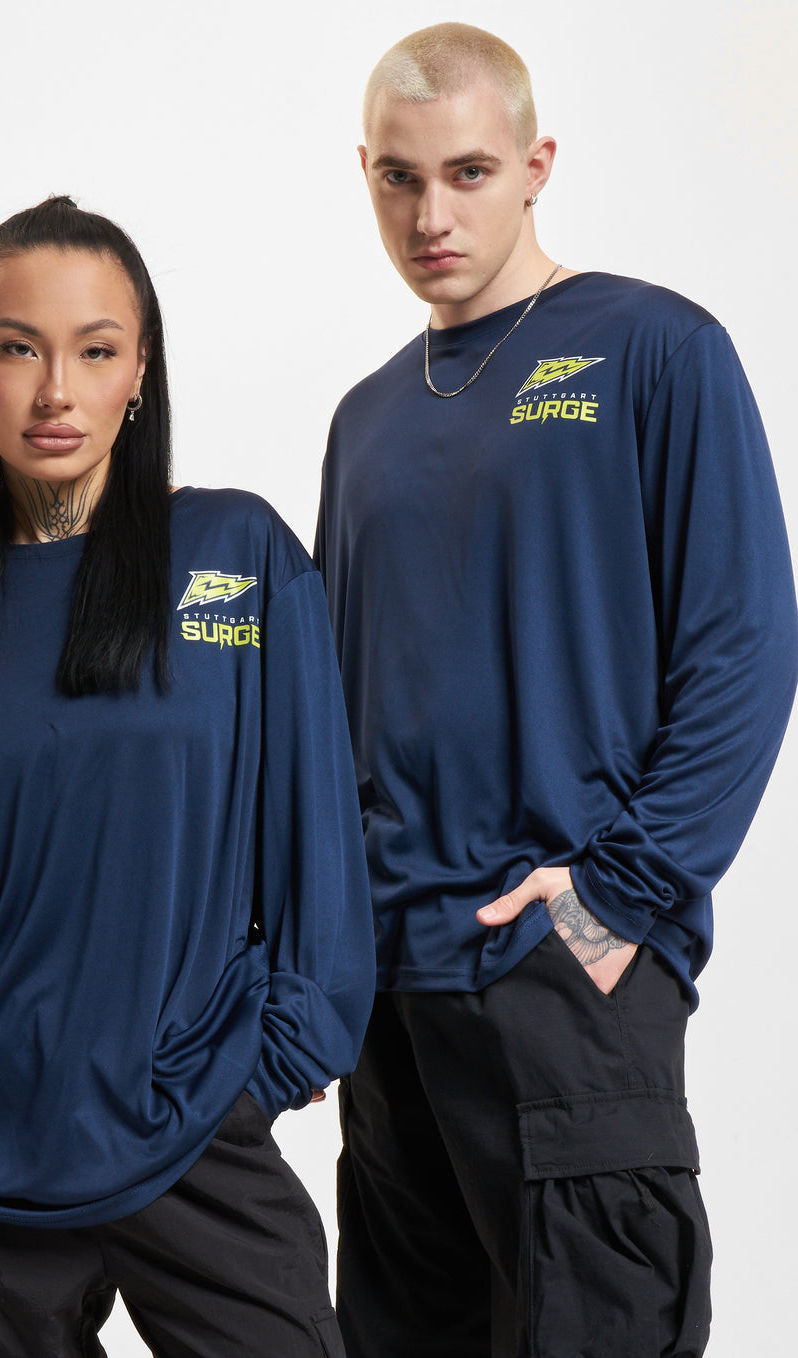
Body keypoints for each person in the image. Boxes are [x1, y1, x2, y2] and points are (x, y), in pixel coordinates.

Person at [315, 22, 798, 1358]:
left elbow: (745, 642)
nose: (431, 215)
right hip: (389, 994)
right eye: (400, 178)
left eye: (467, 172)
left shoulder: (654, 347)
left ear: (536, 166)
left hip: (565, 968)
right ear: (366, 174)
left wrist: (619, 895)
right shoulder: (365, 419)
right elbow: (336, 710)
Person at [0, 195, 373, 1358]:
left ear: (141, 369)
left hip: (191, 1116)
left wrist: (276, 1059)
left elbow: (316, 830)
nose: (55, 391)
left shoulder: (236, 554)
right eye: (19, 347)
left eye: (95, 349)